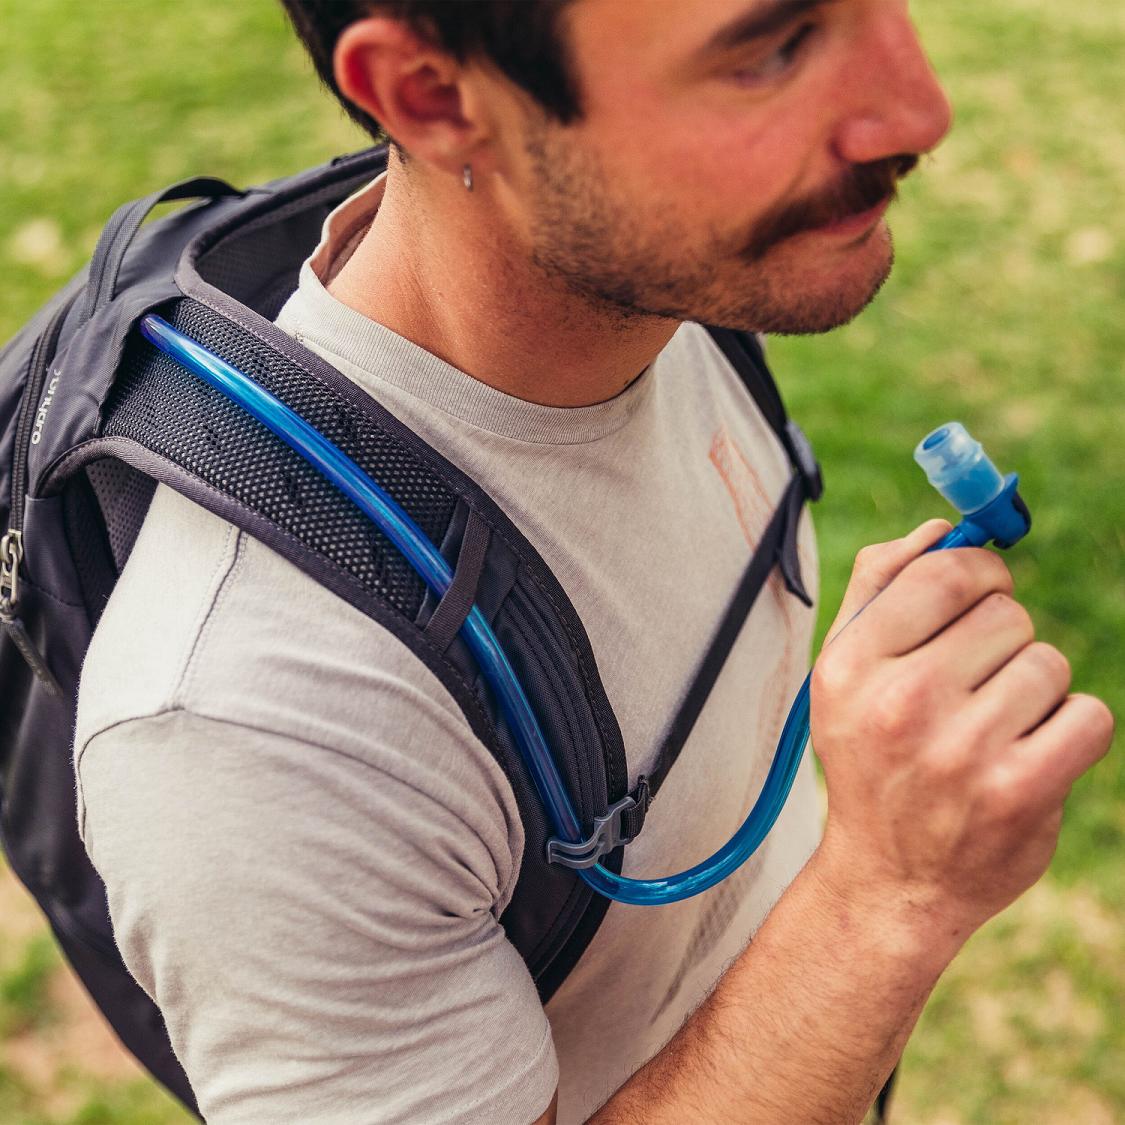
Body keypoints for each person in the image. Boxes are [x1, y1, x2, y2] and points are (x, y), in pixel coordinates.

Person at [73, 2, 1115, 1122]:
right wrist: (880, 904)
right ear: (432, 98)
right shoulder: (259, 724)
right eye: (770, 47)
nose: (920, 112)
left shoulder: (666, 280)